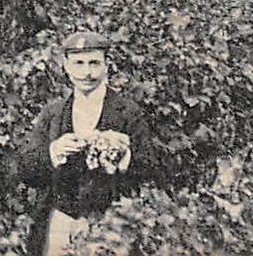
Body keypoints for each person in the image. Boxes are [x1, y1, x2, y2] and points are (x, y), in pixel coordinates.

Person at [15, 30, 151, 254]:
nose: (86, 73)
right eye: (78, 63)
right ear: (66, 66)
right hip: (59, 222)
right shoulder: (53, 113)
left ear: (107, 65)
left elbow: (152, 168)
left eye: (94, 63)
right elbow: (25, 170)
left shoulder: (128, 112)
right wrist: (54, 151)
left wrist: (124, 155)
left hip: (110, 224)